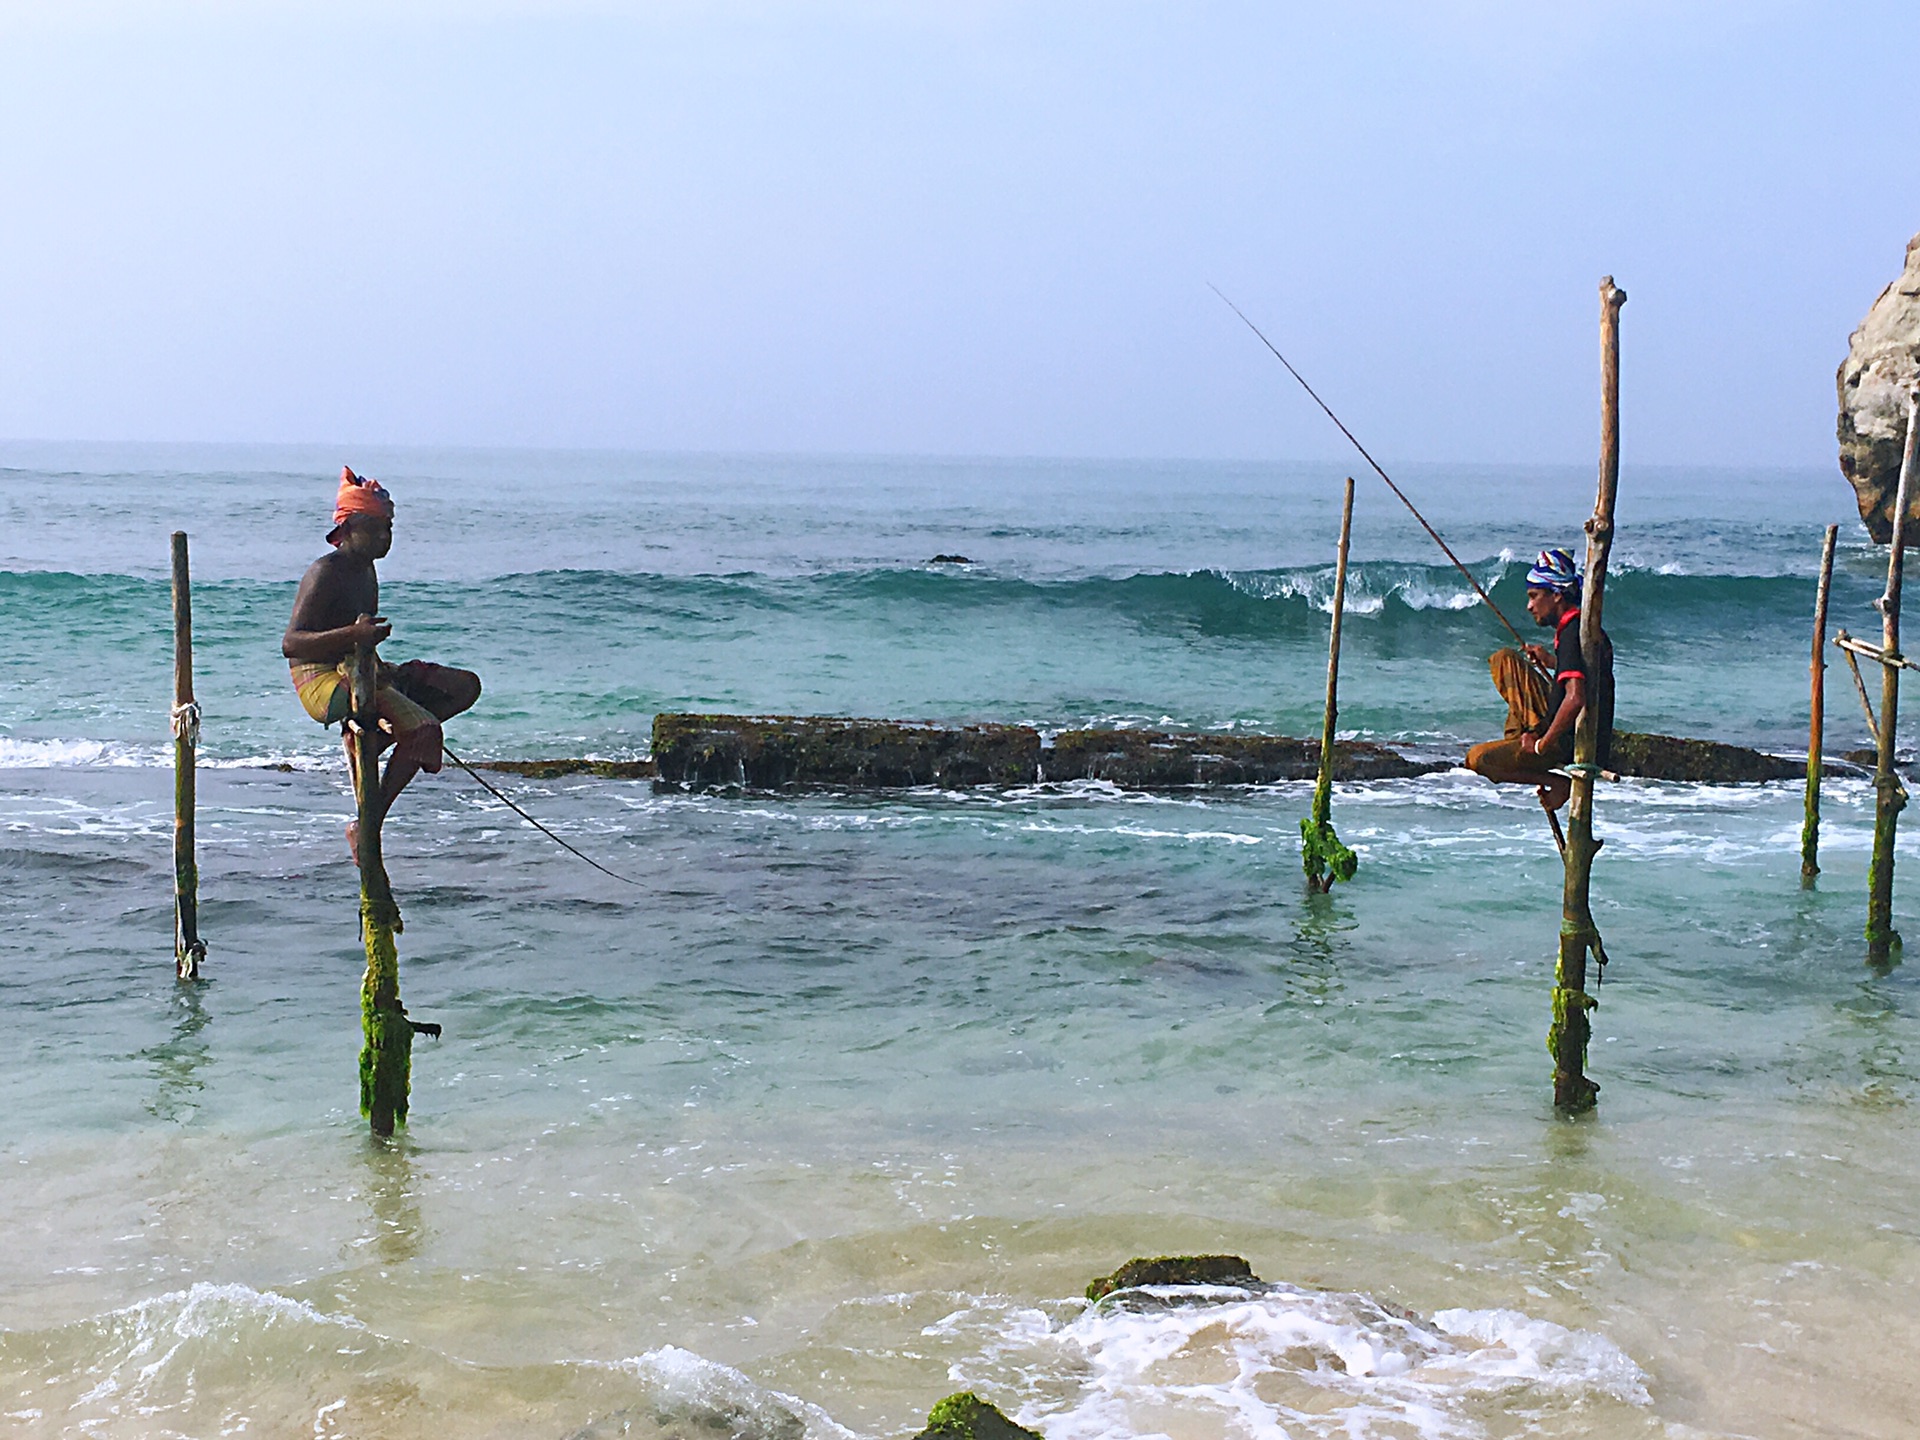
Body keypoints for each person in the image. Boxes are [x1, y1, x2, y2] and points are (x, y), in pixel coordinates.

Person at [284, 468, 481, 859]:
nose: (385, 538)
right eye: (375, 529)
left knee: (463, 686)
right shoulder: (325, 572)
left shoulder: (367, 572)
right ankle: (367, 824)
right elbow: (293, 643)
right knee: (424, 728)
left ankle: (381, 741)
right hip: (321, 681)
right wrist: (354, 637)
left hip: (361, 670)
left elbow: (358, 641)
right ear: (349, 530)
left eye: (388, 528)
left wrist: (372, 653)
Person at [1464, 547, 1612, 812]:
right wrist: (1552, 662)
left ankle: (1554, 780)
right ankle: (1525, 735)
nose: (1529, 605)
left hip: (1570, 741)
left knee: (1478, 758)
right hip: (1568, 728)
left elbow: (1576, 697)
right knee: (1504, 659)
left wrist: (1544, 744)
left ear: (1556, 595)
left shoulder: (1570, 632)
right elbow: (1587, 671)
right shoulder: (1577, 627)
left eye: (1534, 596)